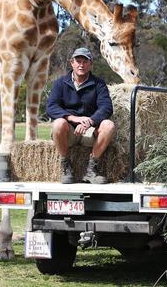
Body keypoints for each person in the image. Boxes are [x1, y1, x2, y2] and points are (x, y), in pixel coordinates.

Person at [46, 47, 115, 184]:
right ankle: (66, 165)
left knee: (109, 125)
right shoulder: (60, 83)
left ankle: (92, 169)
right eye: (78, 61)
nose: (81, 65)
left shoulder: (99, 84)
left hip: (89, 132)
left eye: (85, 61)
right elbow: (51, 107)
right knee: (58, 123)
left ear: (90, 64)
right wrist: (73, 119)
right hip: (68, 132)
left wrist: (89, 121)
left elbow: (106, 107)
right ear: (72, 63)